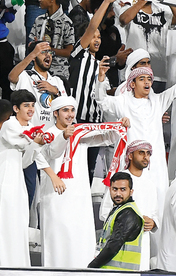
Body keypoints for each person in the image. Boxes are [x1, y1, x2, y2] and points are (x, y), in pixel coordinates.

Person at [96, 42, 176, 217]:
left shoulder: (157, 101)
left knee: (157, 200)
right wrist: (101, 78)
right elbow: (102, 101)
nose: (147, 82)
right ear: (132, 84)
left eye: (149, 79)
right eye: (142, 79)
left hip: (155, 163)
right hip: (131, 163)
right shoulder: (123, 101)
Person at [38, 96, 123, 268]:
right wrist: (64, 136)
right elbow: (51, 153)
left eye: (72, 110)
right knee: (58, 240)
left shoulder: (80, 133)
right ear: (55, 113)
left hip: (79, 196)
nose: (70, 114)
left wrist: (120, 125)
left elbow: (108, 138)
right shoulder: (47, 134)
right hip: (56, 197)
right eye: (65, 110)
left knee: (80, 239)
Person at [0, 90, 46, 267]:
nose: (31, 109)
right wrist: (37, 140)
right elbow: (24, 140)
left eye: (33, 105)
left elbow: (25, 161)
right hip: (2, 185)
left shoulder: (27, 128)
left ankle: (16, 268)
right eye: (26, 106)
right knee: (1, 229)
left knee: (16, 228)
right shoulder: (10, 125)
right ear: (15, 109)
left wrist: (36, 144)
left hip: (16, 184)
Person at [98, 140, 159, 271]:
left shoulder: (150, 184)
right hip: (119, 244)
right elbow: (104, 212)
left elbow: (154, 213)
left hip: (143, 244)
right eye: (141, 153)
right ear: (130, 155)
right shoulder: (119, 180)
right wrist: (131, 221)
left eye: (148, 153)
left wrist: (153, 223)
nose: (145, 157)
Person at [89, 172, 145, 270]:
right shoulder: (118, 210)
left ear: (131, 192)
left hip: (120, 272)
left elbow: (113, 246)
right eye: (115, 189)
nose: (118, 194)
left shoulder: (128, 213)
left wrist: (91, 267)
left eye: (123, 189)